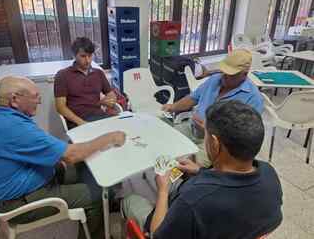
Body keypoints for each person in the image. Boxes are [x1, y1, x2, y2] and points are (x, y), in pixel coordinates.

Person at [0, 76, 126, 239]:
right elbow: (71, 155)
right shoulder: (14, 127)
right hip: (20, 201)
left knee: (85, 166)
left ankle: (101, 205)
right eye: (35, 96)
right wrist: (109, 138)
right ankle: (97, 214)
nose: (39, 100)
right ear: (14, 100)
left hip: (28, 179)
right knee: (99, 191)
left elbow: (45, 149)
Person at [122, 100, 283, 239]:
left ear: (214, 143)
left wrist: (163, 191)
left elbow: (158, 234)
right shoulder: (270, 174)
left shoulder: (194, 201)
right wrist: (200, 171)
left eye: (205, 134)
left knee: (130, 201)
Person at [162, 49, 264, 166]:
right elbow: (192, 98)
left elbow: (242, 139)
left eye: (230, 75)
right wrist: (172, 107)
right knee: (165, 141)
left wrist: (208, 128)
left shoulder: (253, 98)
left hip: (215, 145)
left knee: (184, 167)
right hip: (192, 127)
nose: (224, 77)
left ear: (244, 74)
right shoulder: (215, 79)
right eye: (224, 72)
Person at [54, 37, 117, 129]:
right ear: (74, 55)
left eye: (90, 56)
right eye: (83, 56)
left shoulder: (98, 73)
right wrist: (82, 123)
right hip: (78, 121)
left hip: (100, 117)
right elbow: (60, 107)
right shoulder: (62, 75)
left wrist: (110, 101)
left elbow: (111, 95)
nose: (88, 60)